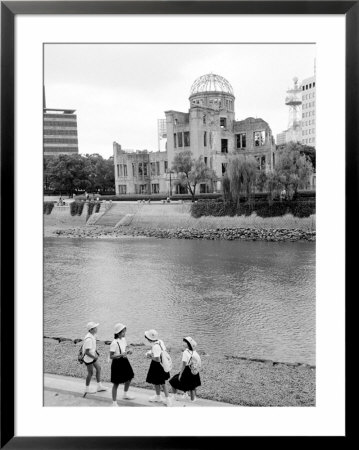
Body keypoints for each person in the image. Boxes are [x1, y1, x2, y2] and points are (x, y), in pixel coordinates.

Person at [144, 329, 173, 406]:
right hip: (163, 364)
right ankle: (158, 396)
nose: (146, 339)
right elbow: (162, 351)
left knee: (161, 383)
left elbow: (157, 359)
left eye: (147, 338)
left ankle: (166, 399)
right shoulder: (160, 341)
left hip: (157, 366)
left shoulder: (155, 346)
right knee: (158, 382)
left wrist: (149, 356)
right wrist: (151, 352)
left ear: (149, 338)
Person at [109, 323, 135, 406]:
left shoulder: (123, 340)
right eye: (123, 332)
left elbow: (125, 349)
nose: (125, 333)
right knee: (116, 383)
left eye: (124, 331)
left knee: (130, 376)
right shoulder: (114, 343)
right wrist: (121, 354)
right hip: (117, 363)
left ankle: (125, 394)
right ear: (118, 333)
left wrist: (129, 351)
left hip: (124, 360)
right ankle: (114, 403)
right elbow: (111, 356)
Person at [169, 336, 201, 403]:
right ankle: (193, 399)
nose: (184, 343)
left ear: (188, 344)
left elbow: (183, 365)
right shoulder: (195, 352)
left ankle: (174, 396)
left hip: (187, 371)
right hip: (194, 370)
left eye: (185, 342)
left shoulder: (185, 352)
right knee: (192, 385)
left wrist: (180, 374)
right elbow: (198, 363)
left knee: (173, 381)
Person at [82, 322, 108, 395]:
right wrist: (94, 356)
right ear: (91, 330)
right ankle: (86, 389)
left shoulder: (92, 336)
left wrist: (95, 354)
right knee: (90, 373)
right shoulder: (89, 339)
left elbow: (91, 348)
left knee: (98, 368)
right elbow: (87, 352)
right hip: (89, 358)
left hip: (92, 357)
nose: (97, 328)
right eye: (95, 328)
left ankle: (99, 386)